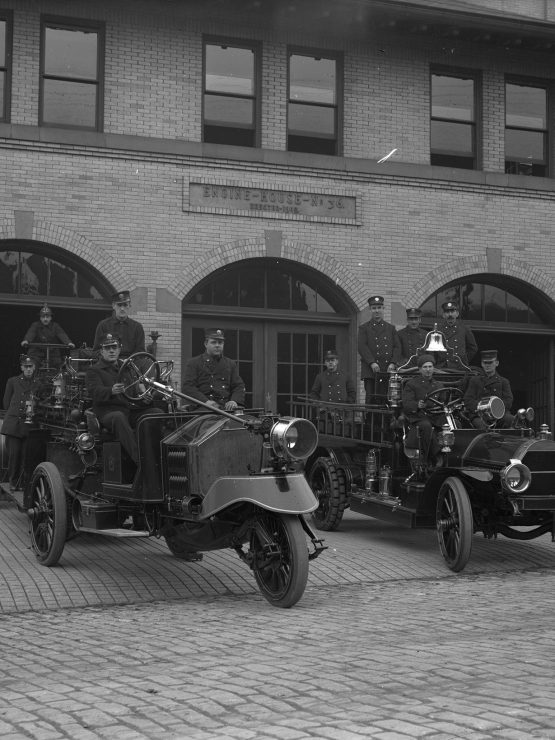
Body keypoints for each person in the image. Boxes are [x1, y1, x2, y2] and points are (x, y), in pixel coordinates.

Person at [85, 333, 159, 465]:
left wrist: (145, 399)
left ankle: (158, 457)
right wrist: (110, 390)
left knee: (156, 413)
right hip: (107, 413)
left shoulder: (127, 368)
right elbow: (94, 392)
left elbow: (134, 393)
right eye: (107, 348)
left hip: (128, 410)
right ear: (102, 351)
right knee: (119, 417)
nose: (112, 351)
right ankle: (141, 462)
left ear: (119, 349)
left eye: (114, 347)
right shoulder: (94, 371)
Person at [182, 329, 245, 411]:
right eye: (213, 342)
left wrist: (234, 401)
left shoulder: (230, 363)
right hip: (203, 407)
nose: (217, 345)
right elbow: (188, 387)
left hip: (226, 408)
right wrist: (205, 401)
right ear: (206, 344)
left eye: (220, 343)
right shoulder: (194, 363)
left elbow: (238, 386)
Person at [2, 355, 39, 491]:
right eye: (26, 367)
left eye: (31, 366)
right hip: (14, 424)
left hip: (30, 425)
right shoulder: (13, 381)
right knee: (14, 455)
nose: (28, 369)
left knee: (26, 456)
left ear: (34, 367)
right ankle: (13, 481)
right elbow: (6, 402)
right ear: (22, 367)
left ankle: (24, 483)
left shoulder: (38, 383)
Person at [401, 353, 445, 463]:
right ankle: (435, 457)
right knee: (426, 426)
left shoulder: (439, 385)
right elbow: (407, 403)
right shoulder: (411, 384)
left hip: (436, 416)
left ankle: (454, 456)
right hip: (419, 417)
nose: (428, 370)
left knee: (455, 424)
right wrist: (417, 405)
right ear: (420, 369)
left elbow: (444, 402)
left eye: (430, 367)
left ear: (433, 368)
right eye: (425, 367)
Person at [357, 295, 401, 405]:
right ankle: (369, 421)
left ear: (383, 309)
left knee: (387, 398)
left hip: (387, 369)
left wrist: (393, 363)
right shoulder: (364, 328)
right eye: (374, 308)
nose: (377, 311)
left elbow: (397, 347)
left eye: (379, 308)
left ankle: (386, 422)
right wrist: (371, 363)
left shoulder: (391, 328)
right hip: (370, 370)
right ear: (370, 310)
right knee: (371, 398)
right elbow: (362, 346)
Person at [463, 349, 514, 429]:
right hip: (479, 415)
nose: (487, 365)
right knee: (482, 427)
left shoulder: (503, 382)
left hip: (498, 414)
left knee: (510, 420)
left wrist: (494, 409)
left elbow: (508, 401)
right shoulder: (475, 381)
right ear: (481, 364)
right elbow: (468, 400)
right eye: (485, 363)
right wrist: (483, 409)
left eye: (490, 363)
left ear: (496, 363)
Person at [93, 290, 145, 359]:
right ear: (113, 306)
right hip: (109, 366)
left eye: (125, 305)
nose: (122, 308)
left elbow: (140, 352)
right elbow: (97, 350)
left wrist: (128, 362)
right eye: (119, 305)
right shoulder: (103, 325)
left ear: (129, 305)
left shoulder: (137, 327)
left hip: (130, 366)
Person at [21, 304, 75, 369]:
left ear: (51, 318)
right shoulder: (35, 325)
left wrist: (68, 343)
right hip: (37, 353)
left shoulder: (55, 326)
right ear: (40, 318)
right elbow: (31, 333)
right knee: (32, 364)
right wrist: (26, 341)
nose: (45, 319)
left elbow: (62, 334)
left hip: (52, 353)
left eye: (47, 317)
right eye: (43, 317)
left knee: (58, 365)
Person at [437, 300, 478, 369]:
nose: (450, 314)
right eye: (447, 312)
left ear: (457, 314)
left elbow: (473, 348)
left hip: (459, 367)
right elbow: (432, 350)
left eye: (452, 312)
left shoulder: (464, 329)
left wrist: (463, 359)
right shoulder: (438, 330)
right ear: (443, 315)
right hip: (442, 367)